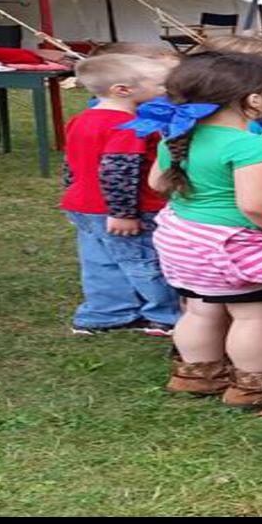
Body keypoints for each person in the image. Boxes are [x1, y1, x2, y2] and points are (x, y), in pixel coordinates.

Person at [143, 53, 262, 406]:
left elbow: (157, 182)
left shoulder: (178, 136)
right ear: (253, 100)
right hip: (234, 245)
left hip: (184, 238)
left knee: (199, 308)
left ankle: (197, 376)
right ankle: (257, 388)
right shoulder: (251, 146)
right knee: (255, 313)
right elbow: (258, 206)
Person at [61, 54, 180, 337]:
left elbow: (71, 163)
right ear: (123, 89)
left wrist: (72, 192)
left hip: (84, 205)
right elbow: (119, 170)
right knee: (144, 260)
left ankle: (106, 312)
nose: (166, 91)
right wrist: (123, 213)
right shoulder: (129, 127)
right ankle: (165, 315)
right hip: (125, 209)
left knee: (100, 260)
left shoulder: (81, 120)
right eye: (161, 85)